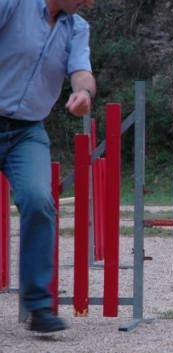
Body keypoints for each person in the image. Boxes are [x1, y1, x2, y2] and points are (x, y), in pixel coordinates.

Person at [0, 0, 96, 333]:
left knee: (40, 201)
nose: (89, 1)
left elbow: (82, 72)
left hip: (27, 131)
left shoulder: (77, 27)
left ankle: (39, 306)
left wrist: (84, 94)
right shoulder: (14, 5)